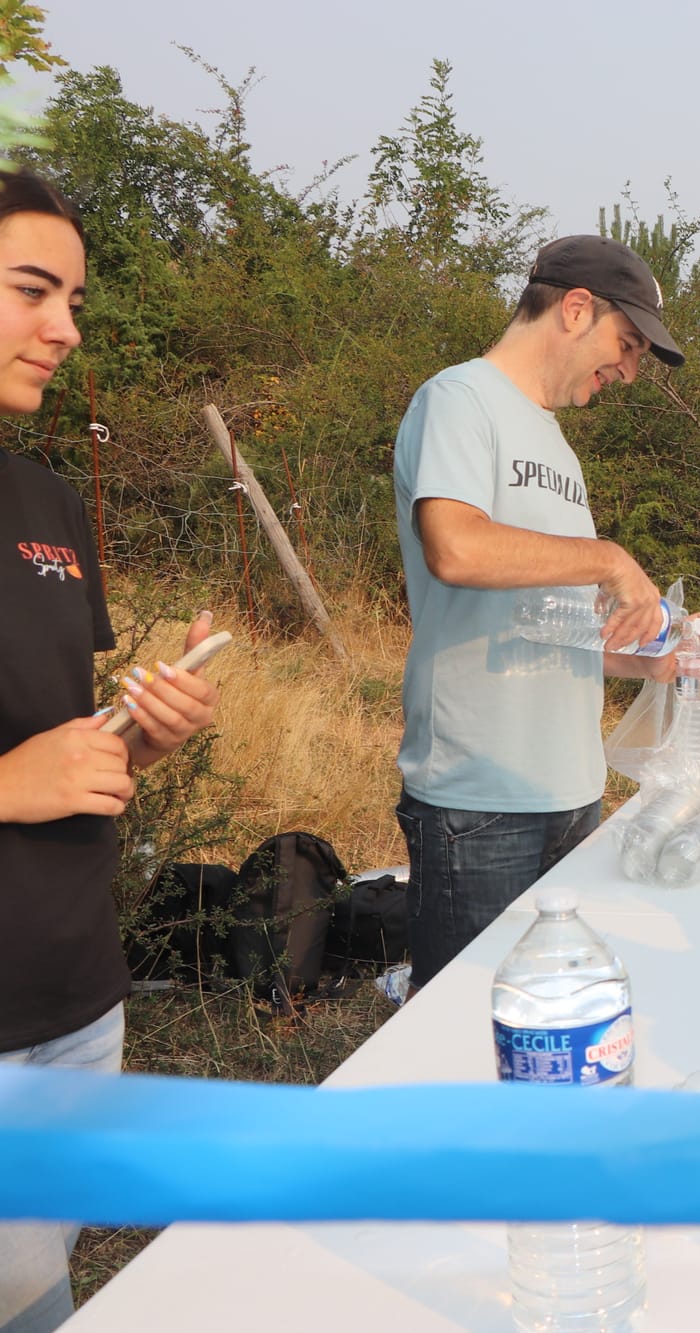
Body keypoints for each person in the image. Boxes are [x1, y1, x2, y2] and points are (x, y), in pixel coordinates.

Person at [0, 170, 221, 1332]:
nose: (67, 329)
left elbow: (70, 755)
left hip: (76, 1001)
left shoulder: (47, 503)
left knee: (42, 1293)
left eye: (75, 297)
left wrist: (150, 730)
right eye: (34, 290)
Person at [394, 234, 688, 988]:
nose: (625, 372)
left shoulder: (558, 447)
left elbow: (548, 618)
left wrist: (643, 655)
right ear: (576, 309)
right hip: (478, 800)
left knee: (549, 1018)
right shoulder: (459, 399)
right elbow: (454, 548)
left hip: (572, 792)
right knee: (468, 1034)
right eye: (625, 345)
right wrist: (611, 559)